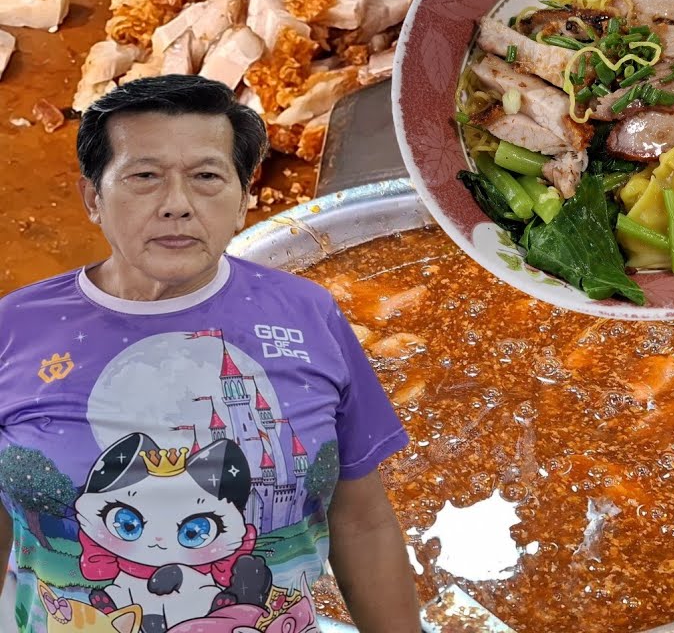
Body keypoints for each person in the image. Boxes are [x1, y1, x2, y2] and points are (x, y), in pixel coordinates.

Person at [0, 75, 419, 633]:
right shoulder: (15, 328)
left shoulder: (307, 313)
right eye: (144, 177)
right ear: (93, 198)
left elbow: (361, 521)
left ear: (244, 201)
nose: (176, 205)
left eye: (206, 177)